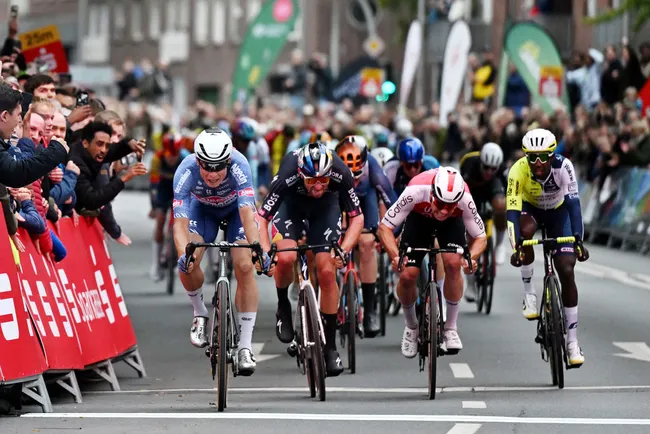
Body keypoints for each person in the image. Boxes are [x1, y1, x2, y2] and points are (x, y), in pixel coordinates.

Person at [257, 142, 364, 376]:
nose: (317, 185)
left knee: (326, 271)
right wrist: (266, 253)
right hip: (291, 207)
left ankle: (331, 348)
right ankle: (283, 305)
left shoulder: (340, 172)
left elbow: (357, 218)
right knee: (285, 258)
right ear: (300, 174)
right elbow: (262, 218)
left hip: (325, 209)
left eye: (323, 181)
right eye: (311, 180)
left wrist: (344, 249)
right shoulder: (288, 172)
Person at [173, 128, 270, 376]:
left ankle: (245, 347)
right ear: (197, 161)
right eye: (206, 166)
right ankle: (200, 313)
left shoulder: (241, 165)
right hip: (201, 211)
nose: (212, 173)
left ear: (228, 160)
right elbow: (180, 224)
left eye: (218, 167)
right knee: (189, 259)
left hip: (235, 212)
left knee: (245, 266)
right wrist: (184, 256)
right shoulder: (185, 171)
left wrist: (257, 246)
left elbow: (249, 214)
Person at [378, 167, 486, 357]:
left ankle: (451, 328)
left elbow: (480, 237)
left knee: (453, 264)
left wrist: (472, 259)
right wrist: (395, 256)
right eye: (440, 203)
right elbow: (385, 227)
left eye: (450, 206)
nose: (444, 210)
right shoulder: (415, 190)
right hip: (419, 221)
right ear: (432, 193)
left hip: (451, 226)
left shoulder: (465, 199)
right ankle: (411, 327)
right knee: (408, 274)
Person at [506, 128, 589, 368]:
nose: (538, 162)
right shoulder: (517, 171)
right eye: (532, 157)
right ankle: (529, 294)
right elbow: (511, 213)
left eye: (543, 156)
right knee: (526, 234)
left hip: (558, 212)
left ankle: (572, 341)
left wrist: (578, 240)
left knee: (566, 269)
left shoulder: (565, 167)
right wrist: (516, 248)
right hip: (529, 211)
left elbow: (574, 207)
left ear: (553, 155)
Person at [335, 135, 397, 337]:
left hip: (364, 199)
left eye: (356, 176)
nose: (353, 180)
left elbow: (391, 199)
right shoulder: (331, 166)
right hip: (337, 198)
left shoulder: (372, 167)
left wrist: (394, 229)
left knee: (367, 242)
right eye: (348, 175)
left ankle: (370, 310)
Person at [459, 142, 508, 301]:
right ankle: (471, 283)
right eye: (486, 167)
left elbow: (509, 195)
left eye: (493, 169)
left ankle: (500, 244)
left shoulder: (502, 171)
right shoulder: (469, 163)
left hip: (492, 189)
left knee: (502, 206)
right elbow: (460, 194)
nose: (489, 171)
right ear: (480, 162)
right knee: (471, 238)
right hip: (472, 191)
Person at [149, 133, 190, 280]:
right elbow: (153, 185)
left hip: (180, 190)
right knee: (160, 220)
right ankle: (155, 264)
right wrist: (154, 206)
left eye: (174, 154)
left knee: (179, 223)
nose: (171, 158)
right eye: (168, 154)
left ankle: (175, 254)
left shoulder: (186, 158)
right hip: (163, 188)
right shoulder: (157, 159)